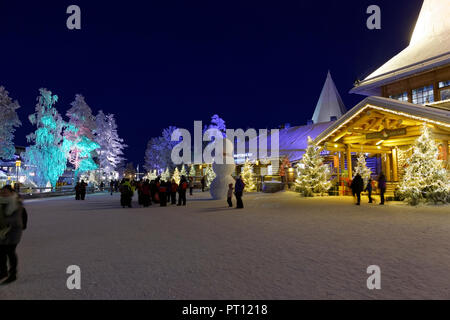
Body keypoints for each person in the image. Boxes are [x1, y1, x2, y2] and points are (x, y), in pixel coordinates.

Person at [0, 186, 27, 284]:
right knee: (1, 253)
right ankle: (3, 272)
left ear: (11, 193)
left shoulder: (16, 203)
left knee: (10, 252)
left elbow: (16, 220)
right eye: (2, 192)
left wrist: (3, 221)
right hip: (2, 232)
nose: (3, 194)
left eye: (5, 192)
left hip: (13, 232)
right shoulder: (1, 202)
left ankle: (13, 274)